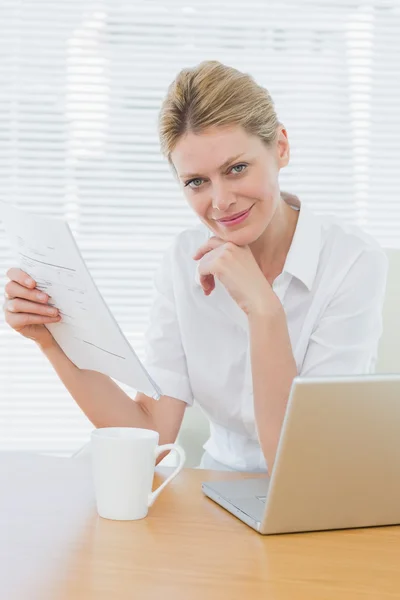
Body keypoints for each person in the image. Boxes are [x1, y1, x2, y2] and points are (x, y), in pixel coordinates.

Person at [2, 61, 388, 474]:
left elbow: (300, 470)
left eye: (236, 168)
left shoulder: (352, 261)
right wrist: (52, 340)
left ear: (280, 147)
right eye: (196, 182)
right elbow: (151, 437)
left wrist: (264, 309)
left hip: (316, 497)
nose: (221, 201)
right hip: (216, 493)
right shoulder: (183, 260)